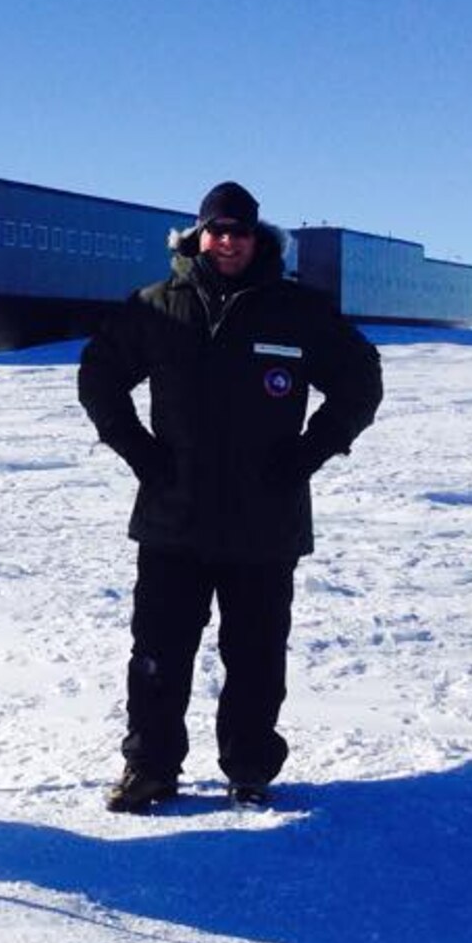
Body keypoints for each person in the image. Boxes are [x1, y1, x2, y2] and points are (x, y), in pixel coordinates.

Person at [78, 181, 383, 811]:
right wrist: (139, 452)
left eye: (239, 232)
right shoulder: (157, 306)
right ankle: (151, 770)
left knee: (255, 655)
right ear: (198, 234)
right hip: (173, 519)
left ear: (256, 239)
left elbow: (360, 381)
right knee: (159, 654)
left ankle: (250, 768)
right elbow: (99, 374)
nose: (227, 243)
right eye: (217, 231)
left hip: (264, 523)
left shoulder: (296, 311)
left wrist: (307, 454)